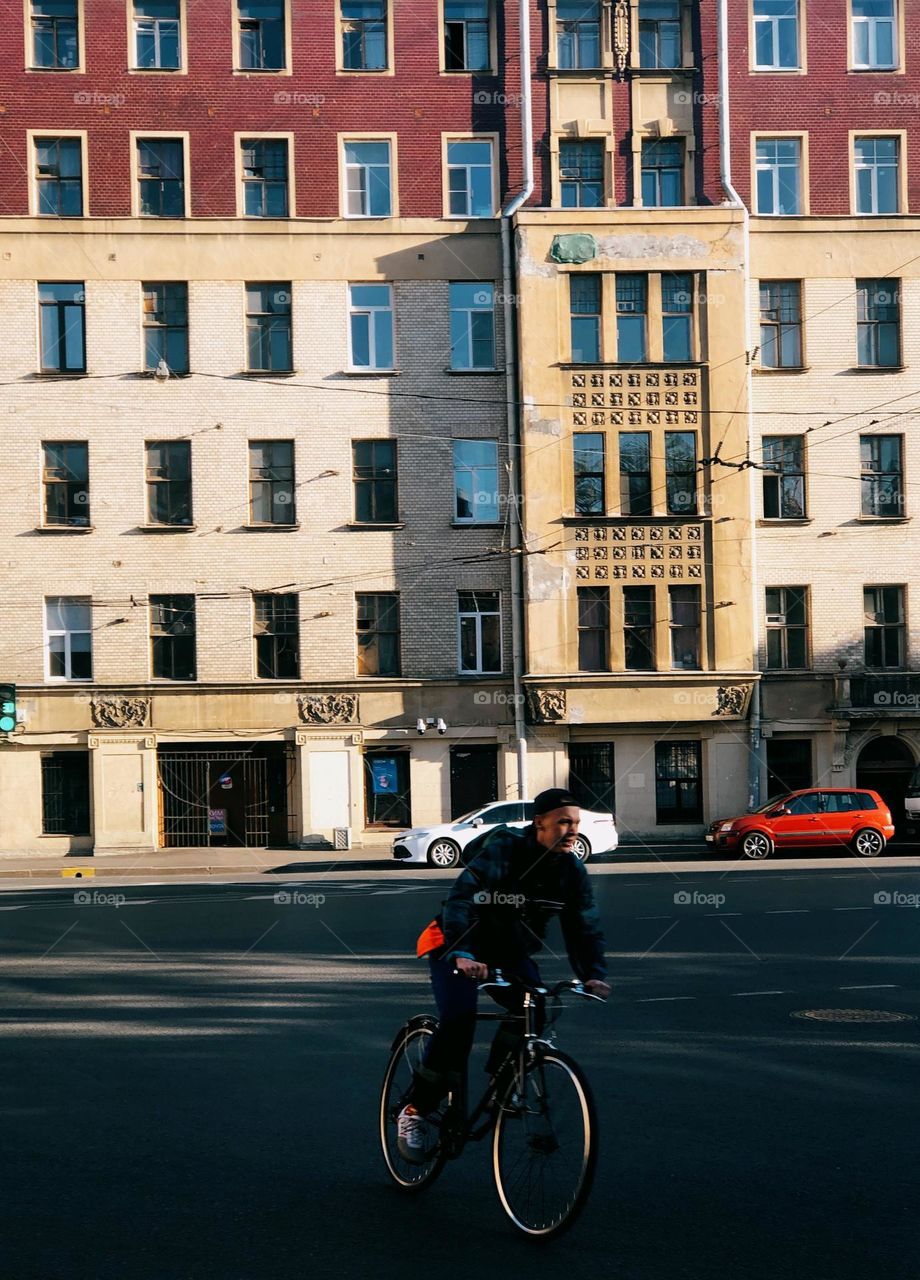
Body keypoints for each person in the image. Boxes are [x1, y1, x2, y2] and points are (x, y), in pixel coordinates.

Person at [397, 788, 610, 1164]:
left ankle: (504, 1077)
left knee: (535, 1006)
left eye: (575, 822)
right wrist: (462, 952)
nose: (572, 830)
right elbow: (461, 898)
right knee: (459, 1019)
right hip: (455, 941)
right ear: (539, 824)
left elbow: (584, 925)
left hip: (507, 950)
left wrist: (592, 973)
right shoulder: (505, 851)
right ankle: (414, 1110)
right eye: (563, 821)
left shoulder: (571, 870)